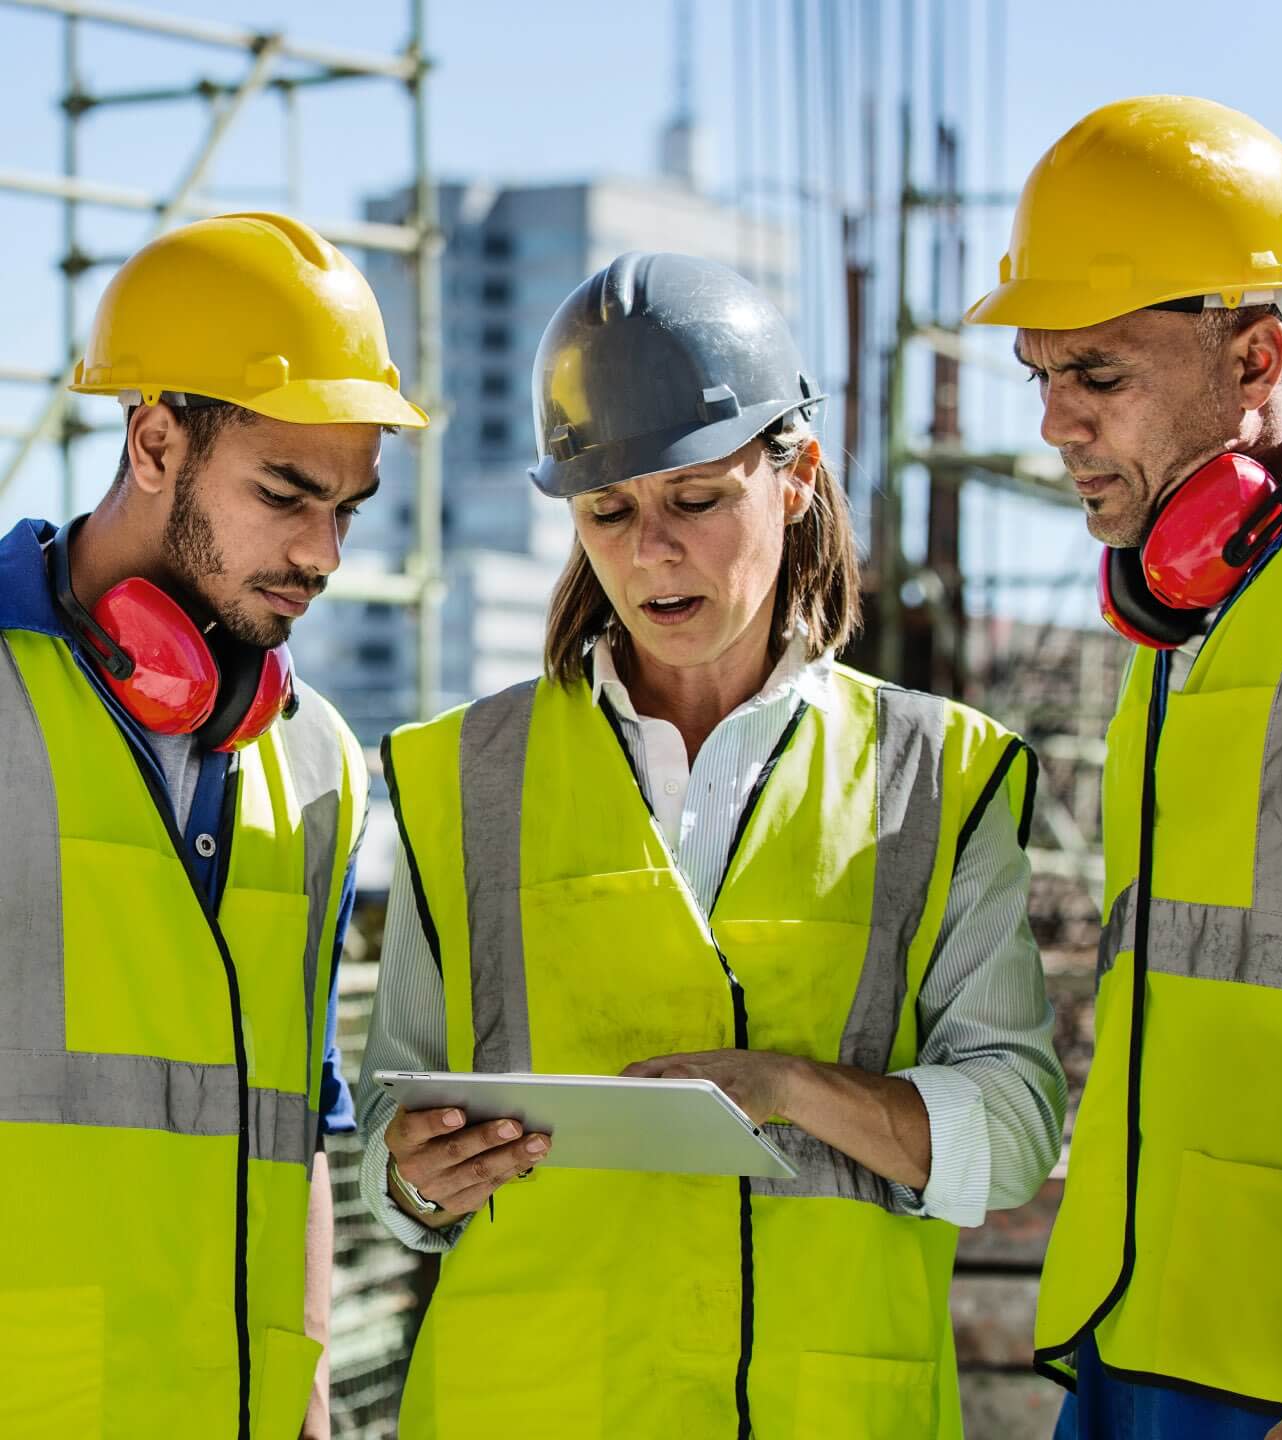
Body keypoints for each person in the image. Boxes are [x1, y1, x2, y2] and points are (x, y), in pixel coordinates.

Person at [356, 251, 1066, 1437]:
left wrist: (785, 1088)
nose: (649, 554)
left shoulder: (936, 778)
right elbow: (393, 1137)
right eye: (608, 513)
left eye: (694, 500)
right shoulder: (459, 778)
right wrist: (413, 1177)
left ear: (797, 479)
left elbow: (1010, 1136)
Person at [966, 95, 1282, 1440]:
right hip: (1141, 1363)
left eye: (1100, 377)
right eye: (1039, 375)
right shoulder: (1187, 621)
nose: (1056, 424)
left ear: (1257, 355)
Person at [0, 212, 427, 1440]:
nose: (322, 552)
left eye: (348, 506)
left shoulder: (319, 763)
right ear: (153, 440)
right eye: (285, 494)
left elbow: (293, 1124)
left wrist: (306, 1401)